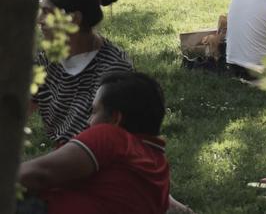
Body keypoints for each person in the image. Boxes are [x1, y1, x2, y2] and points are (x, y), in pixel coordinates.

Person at [19, 72, 172, 214]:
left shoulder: (112, 137)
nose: (89, 121)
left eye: (94, 111)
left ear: (115, 119)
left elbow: (38, 174)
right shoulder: (160, 167)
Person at [33, 0, 132, 145]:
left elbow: (102, 142)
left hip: (97, 155)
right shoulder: (48, 59)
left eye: (47, 12)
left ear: (74, 19)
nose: (39, 20)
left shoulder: (114, 70)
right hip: (66, 154)